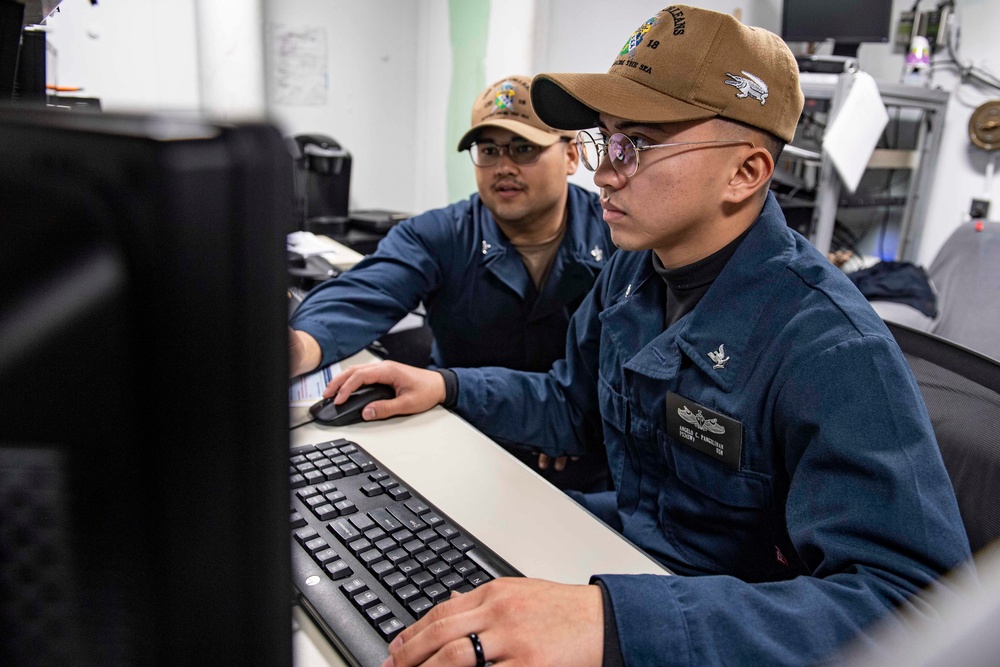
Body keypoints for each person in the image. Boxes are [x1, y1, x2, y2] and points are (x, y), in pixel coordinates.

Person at [324, 6, 972, 666]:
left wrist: (615, 621)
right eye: (608, 141)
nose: (604, 173)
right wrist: (446, 384)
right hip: (628, 558)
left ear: (744, 172)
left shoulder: (829, 346)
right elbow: (568, 407)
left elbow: (914, 607)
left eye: (639, 143)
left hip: (719, 624)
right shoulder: (635, 270)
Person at [289, 74, 615, 492]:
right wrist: (302, 346)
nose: (503, 167)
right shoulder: (441, 233)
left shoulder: (616, 238)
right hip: (465, 433)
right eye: (488, 150)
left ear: (571, 156)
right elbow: (365, 291)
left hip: (580, 452)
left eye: (524, 148)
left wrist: (573, 425)